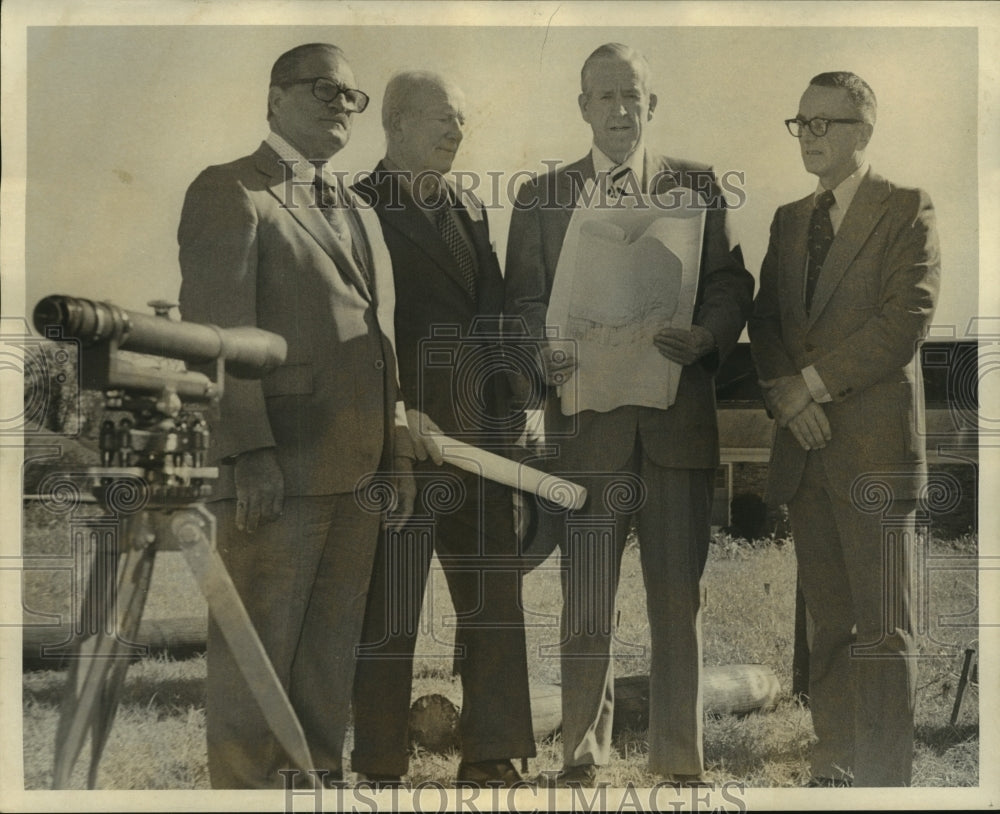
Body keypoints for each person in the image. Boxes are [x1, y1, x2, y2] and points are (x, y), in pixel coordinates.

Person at [504, 43, 754, 787]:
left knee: (678, 603)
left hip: (676, 428)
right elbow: (520, 300)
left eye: (632, 96)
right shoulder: (541, 197)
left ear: (653, 105)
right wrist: (539, 351)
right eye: (604, 95)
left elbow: (731, 282)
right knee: (585, 606)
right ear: (582, 106)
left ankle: (679, 761)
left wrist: (708, 332)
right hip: (587, 432)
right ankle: (580, 756)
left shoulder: (700, 186)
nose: (619, 109)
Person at [177, 42, 415, 789]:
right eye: (324, 90)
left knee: (325, 664)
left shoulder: (356, 209)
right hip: (275, 472)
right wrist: (249, 453)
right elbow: (217, 340)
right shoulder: (230, 190)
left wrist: (397, 450)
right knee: (255, 666)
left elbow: (382, 345)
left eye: (353, 96)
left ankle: (312, 790)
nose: (342, 105)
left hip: (357, 475)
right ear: (275, 98)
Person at [748, 71, 940, 787]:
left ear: (864, 130)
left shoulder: (906, 208)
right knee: (828, 627)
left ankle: (886, 779)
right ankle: (833, 765)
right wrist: (789, 403)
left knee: (884, 628)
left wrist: (814, 386)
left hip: (874, 453)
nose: (810, 135)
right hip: (805, 448)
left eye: (824, 122)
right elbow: (765, 322)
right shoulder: (787, 219)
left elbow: (906, 320)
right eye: (801, 122)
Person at [350, 70, 535, 788]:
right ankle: (378, 765)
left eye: (462, 120)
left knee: (495, 602)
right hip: (401, 440)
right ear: (394, 122)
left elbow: (493, 318)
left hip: (481, 441)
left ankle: (492, 756)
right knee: (390, 608)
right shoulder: (356, 208)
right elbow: (360, 327)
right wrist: (395, 411)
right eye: (441, 118)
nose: (457, 131)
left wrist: (517, 406)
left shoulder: (467, 210)